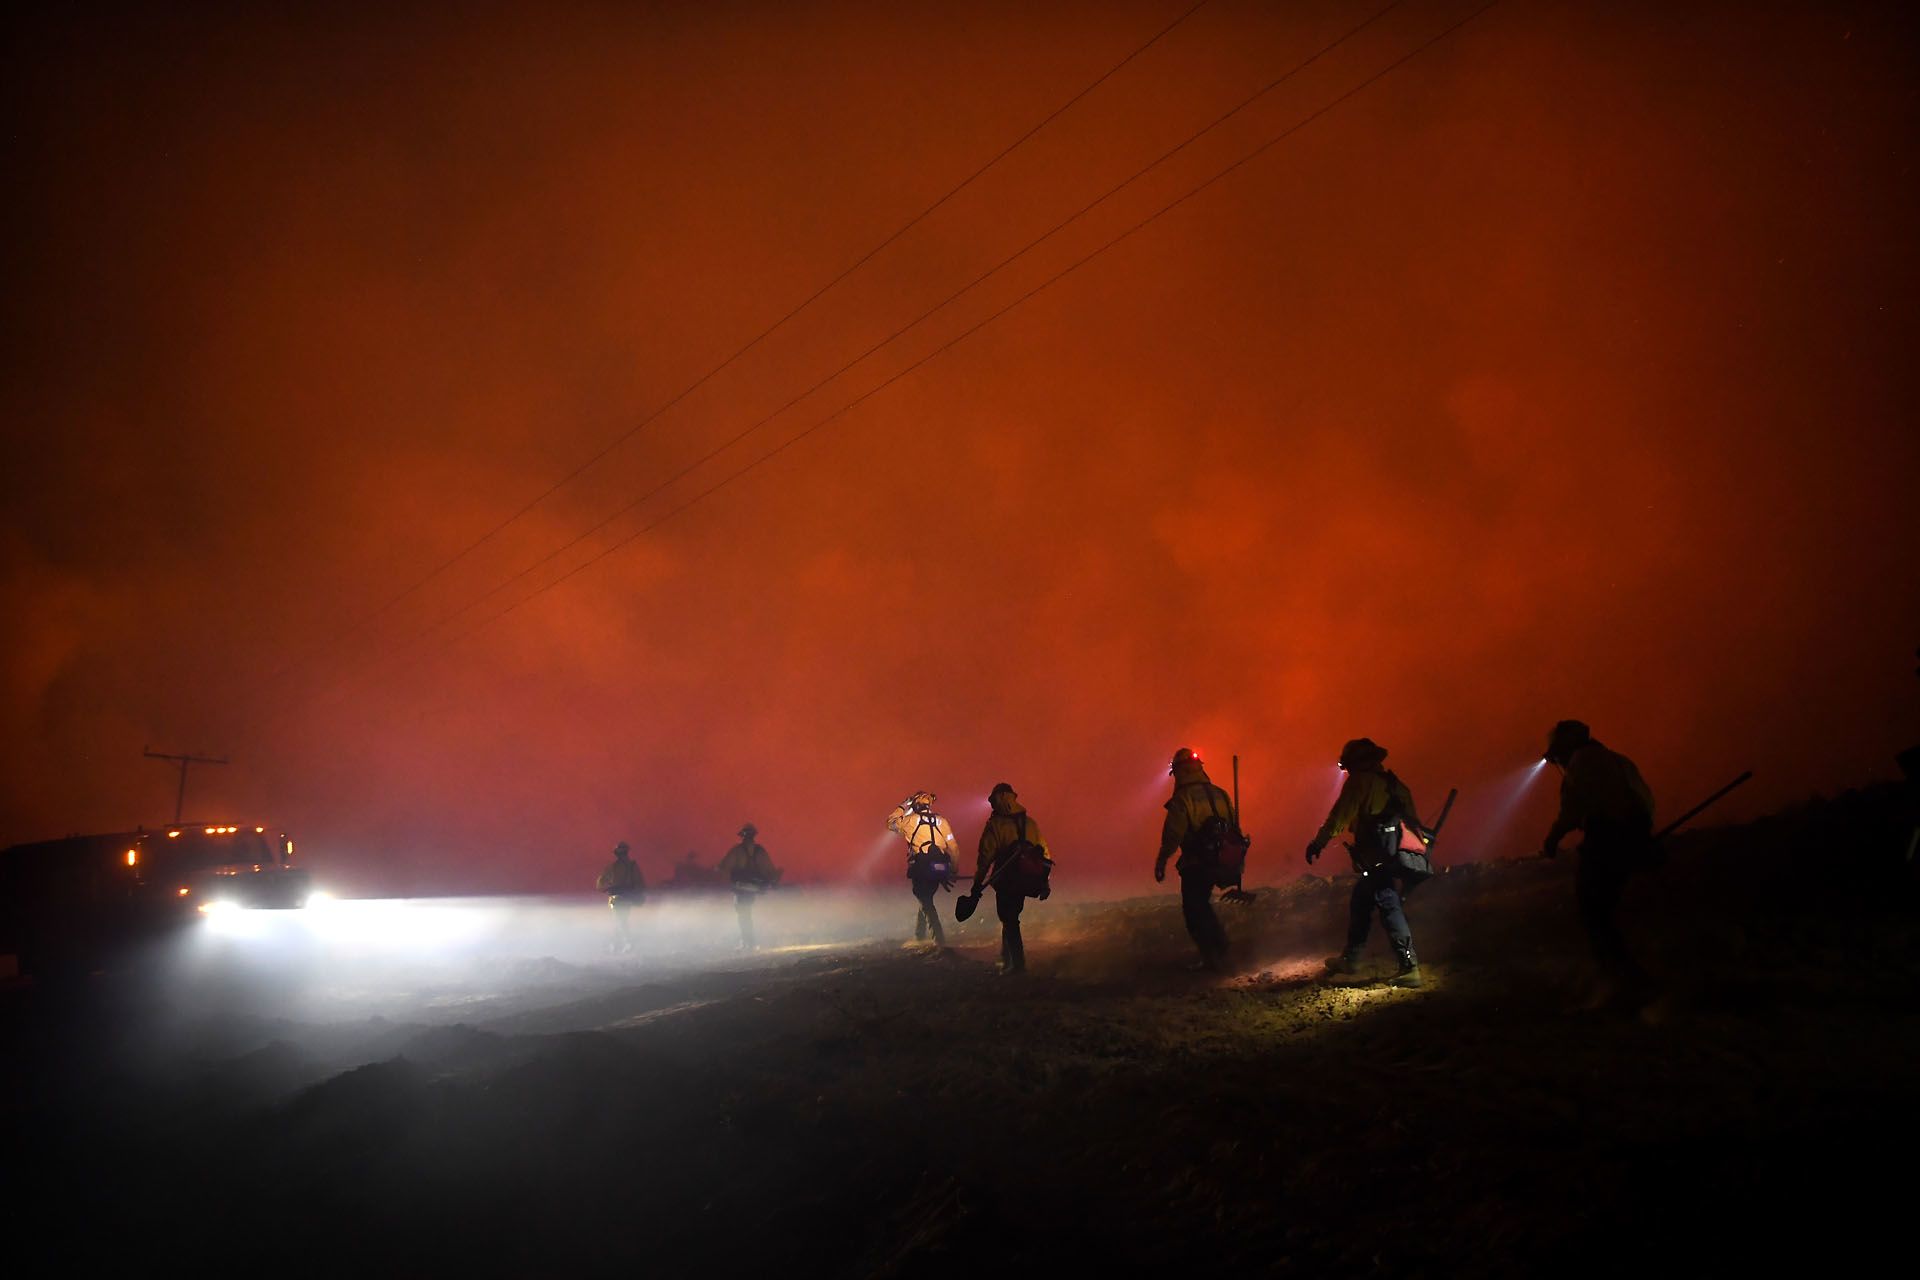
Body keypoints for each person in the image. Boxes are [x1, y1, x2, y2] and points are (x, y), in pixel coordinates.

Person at [1539, 719, 1657, 1004]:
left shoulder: (1583, 762)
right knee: (1607, 909)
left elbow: (1572, 809)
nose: (1560, 761)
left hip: (1607, 841)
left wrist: (1552, 840)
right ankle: (1628, 975)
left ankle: (1621, 981)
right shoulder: (1615, 760)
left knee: (1594, 911)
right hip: (1630, 838)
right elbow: (1644, 799)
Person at [1307, 738, 1433, 989]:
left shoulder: (1360, 782)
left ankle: (1410, 967)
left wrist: (1318, 843)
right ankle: (1351, 959)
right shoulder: (1395, 784)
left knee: (1388, 903)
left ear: (1356, 763)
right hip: (1396, 855)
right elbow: (1413, 823)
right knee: (1361, 899)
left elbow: (1339, 817)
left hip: (1376, 857)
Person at [1155, 747, 1237, 972]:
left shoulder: (1183, 799)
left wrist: (1162, 861)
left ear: (1179, 772)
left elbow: (1173, 834)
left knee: (1194, 909)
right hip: (1223, 859)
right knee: (1202, 905)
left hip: (1197, 862)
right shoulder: (1220, 793)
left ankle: (1213, 956)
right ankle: (1220, 947)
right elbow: (1233, 826)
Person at [972, 783, 1051, 974]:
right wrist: (1044, 882)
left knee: (1009, 919)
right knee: (1011, 916)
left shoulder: (996, 825)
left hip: (1006, 880)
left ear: (999, 798)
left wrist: (977, 884)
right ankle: (1005, 958)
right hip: (1026, 880)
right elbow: (1045, 855)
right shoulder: (1030, 823)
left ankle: (1017, 965)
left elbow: (985, 857)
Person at [886, 791, 958, 945]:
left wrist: (903, 805)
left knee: (924, 899)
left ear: (915, 805)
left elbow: (891, 822)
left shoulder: (910, 820)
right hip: (941, 869)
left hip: (922, 867)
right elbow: (953, 848)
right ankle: (920, 937)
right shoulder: (942, 821)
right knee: (926, 897)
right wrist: (954, 869)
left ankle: (939, 942)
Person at [717, 823, 780, 951]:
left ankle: (748, 942)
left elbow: (723, 866)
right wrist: (772, 881)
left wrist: (717, 869)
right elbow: (769, 868)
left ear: (743, 836)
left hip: (740, 887)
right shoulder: (760, 850)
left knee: (743, 914)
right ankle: (749, 942)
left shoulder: (737, 850)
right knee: (746, 914)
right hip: (754, 887)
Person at [594, 841, 645, 953]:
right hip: (621, 898)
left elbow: (601, 883)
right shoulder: (624, 867)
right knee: (620, 920)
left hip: (620, 898)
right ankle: (617, 945)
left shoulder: (624, 867)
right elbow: (601, 883)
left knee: (620, 921)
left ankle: (626, 943)